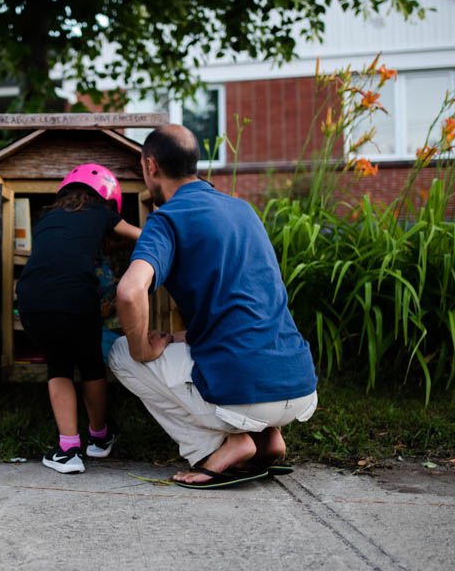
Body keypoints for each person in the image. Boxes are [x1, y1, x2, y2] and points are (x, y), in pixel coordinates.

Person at [109, 125, 318, 489]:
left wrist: (142, 346)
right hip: (299, 386)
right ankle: (269, 437)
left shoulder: (167, 218)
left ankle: (219, 447)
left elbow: (129, 292)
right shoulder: (243, 209)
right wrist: (174, 337)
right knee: (216, 347)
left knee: (121, 353)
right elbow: (240, 309)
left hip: (246, 395)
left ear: (150, 166)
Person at [15, 164, 142, 474]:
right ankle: (99, 437)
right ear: (108, 199)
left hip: (32, 300)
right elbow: (142, 234)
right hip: (76, 297)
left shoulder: (46, 218)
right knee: (90, 364)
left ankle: (68, 449)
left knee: (57, 364)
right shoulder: (103, 214)